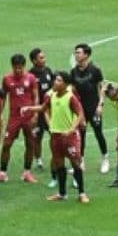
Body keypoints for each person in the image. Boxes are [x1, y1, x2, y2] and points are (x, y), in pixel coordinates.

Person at [23, 70, 89, 204]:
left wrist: (71, 129)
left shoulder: (71, 97)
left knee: (76, 163)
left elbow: (80, 114)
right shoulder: (51, 96)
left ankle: (82, 193)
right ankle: (62, 193)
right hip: (55, 136)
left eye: (59, 80)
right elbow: (43, 108)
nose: (55, 82)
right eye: (55, 80)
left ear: (65, 84)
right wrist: (29, 108)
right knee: (59, 164)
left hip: (69, 137)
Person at [0, 53, 39, 184]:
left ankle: (27, 172)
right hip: (14, 117)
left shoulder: (31, 78)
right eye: (16, 67)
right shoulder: (6, 79)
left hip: (28, 116)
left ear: (24, 66)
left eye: (20, 67)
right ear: (12, 66)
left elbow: (35, 96)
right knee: (6, 144)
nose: (18, 70)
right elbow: (3, 97)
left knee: (30, 143)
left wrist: (36, 114)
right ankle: (3, 173)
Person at [70, 43, 110, 175]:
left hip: (93, 107)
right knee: (80, 135)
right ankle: (80, 160)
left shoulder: (95, 70)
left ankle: (105, 158)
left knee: (98, 133)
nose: (76, 55)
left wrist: (100, 105)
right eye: (75, 52)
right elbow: (73, 90)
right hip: (80, 109)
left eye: (79, 52)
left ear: (86, 55)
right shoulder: (73, 72)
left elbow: (101, 88)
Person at [28, 47, 54, 172]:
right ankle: (38, 160)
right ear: (34, 61)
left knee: (54, 134)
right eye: (41, 58)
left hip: (50, 110)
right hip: (38, 112)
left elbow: (54, 87)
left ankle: (55, 156)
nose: (44, 60)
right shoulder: (30, 75)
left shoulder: (48, 71)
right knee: (37, 137)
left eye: (44, 57)